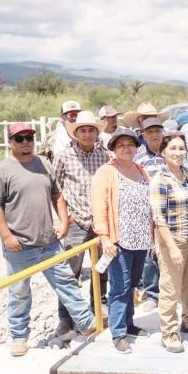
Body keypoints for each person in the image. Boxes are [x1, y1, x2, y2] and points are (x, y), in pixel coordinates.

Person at [0, 123, 95, 357]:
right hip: (20, 246)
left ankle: (88, 325)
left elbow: (57, 195)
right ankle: (19, 337)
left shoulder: (44, 164)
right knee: (19, 292)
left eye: (29, 137)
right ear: (10, 142)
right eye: (20, 138)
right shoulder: (0, 171)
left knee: (67, 284)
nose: (26, 142)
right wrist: (6, 236)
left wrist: (64, 222)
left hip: (49, 243)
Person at [91, 128, 154, 354]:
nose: (126, 148)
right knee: (120, 286)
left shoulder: (142, 170)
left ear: (137, 148)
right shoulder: (106, 172)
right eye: (121, 145)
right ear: (114, 150)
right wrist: (104, 237)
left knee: (133, 283)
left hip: (141, 239)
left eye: (130, 144)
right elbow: (99, 207)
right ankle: (118, 332)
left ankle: (129, 324)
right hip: (119, 240)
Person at [52, 111, 110, 336]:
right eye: (82, 130)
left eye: (91, 130)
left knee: (101, 268)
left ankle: (98, 309)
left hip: (99, 223)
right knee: (69, 272)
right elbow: (55, 190)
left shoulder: (105, 157)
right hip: (76, 223)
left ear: (97, 133)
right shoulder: (64, 156)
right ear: (75, 134)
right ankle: (66, 317)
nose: (87, 134)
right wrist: (64, 218)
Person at [150, 133, 188, 353]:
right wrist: (172, 247)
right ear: (163, 152)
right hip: (172, 240)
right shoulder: (160, 180)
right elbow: (159, 218)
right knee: (170, 289)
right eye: (172, 148)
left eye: (181, 148)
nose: (177, 153)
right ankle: (170, 332)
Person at [131, 115, 166, 311]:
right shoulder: (138, 159)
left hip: (169, 212)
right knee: (149, 256)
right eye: (150, 132)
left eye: (157, 131)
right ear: (143, 135)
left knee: (169, 253)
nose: (154, 135)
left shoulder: (170, 153)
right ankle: (153, 294)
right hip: (147, 212)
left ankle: (170, 291)